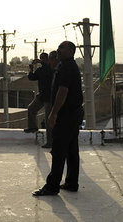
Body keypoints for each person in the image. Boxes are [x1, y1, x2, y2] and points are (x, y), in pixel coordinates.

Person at [33, 41, 84, 197]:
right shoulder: (64, 66)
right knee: (71, 150)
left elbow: (63, 91)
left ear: (71, 51)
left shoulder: (67, 67)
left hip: (67, 114)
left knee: (59, 150)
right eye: (59, 47)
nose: (59, 49)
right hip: (72, 113)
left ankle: (52, 186)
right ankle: (71, 182)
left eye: (63, 47)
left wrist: (54, 112)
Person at [24, 52, 55, 148]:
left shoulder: (51, 69)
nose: (41, 60)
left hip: (49, 98)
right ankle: (33, 127)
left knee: (48, 121)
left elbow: (49, 68)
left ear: (47, 60)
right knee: (31, 108)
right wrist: (31, 70)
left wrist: (40, 61)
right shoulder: (40, 70)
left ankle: (50, 142)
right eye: (41, 58)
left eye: (43, 58)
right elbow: (32, 77)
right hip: (41, 96)